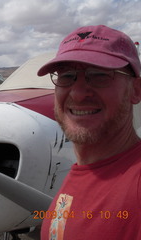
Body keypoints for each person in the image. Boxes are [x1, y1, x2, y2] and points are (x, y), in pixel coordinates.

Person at [37, 25, 141, 239]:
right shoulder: (82, 172)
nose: (78, 92)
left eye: (100, 75)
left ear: (136, 90)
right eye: (67, 76)